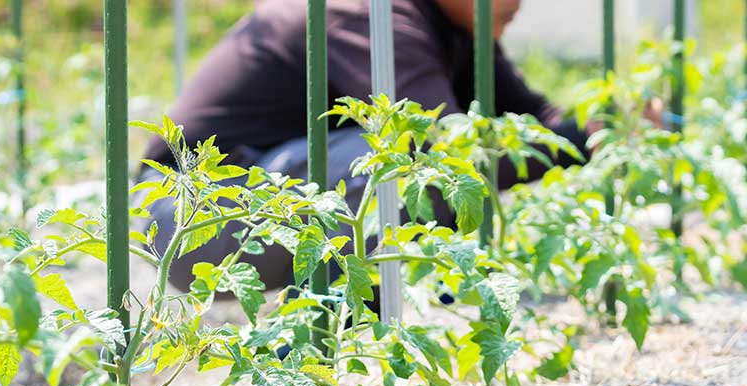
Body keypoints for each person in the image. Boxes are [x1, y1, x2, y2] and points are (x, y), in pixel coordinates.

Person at [139, 0, 603, 292]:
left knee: (418, 167)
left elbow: (539, 124)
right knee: (415, 168)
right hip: (192, 218)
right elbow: (445, 156)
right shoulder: (370, 15)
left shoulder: (456, 27)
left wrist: (609, 122)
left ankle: (367, 298)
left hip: (263, 192)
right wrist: (585, 138)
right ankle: (316, 324)